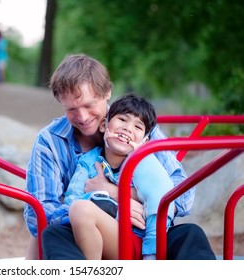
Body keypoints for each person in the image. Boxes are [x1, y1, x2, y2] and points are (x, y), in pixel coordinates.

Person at [23, 53, 216, 260]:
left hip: (141, 230)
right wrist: (106, 206)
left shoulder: (134, 125)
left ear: (107, 93)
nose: (83, 117)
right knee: (53, 235)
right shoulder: (50, 141)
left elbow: (183, 195)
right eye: (71, 109)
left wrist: (118, 193)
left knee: (190, 233)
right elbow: (38, 214)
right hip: (89, 232)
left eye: (89, 105)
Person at [63, 93, 175, 260]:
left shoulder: (145, 164)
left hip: (138, 241)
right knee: (75, 212)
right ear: (104, 126)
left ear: (144, 141)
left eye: (138, 127)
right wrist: (113, 207)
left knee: (82, 209)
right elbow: (72, 201)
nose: (128, 128)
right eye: (122, 120)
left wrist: (151, 254)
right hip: (101, 237)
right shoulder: (89, 161)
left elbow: (160, 200)